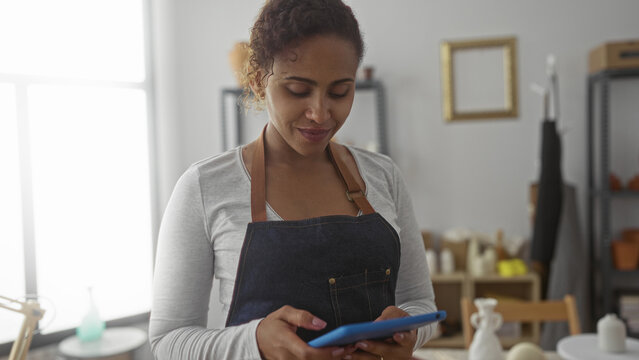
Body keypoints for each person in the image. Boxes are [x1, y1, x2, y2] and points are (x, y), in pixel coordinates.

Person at [149, 0, 437, 359]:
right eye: (298, 91)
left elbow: (420, 303)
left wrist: (408, 332)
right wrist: (254, 342)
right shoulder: (204, 187)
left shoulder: (383, 176)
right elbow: (168, 341)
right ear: (257, 82)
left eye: (339, 92)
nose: (320, 113)